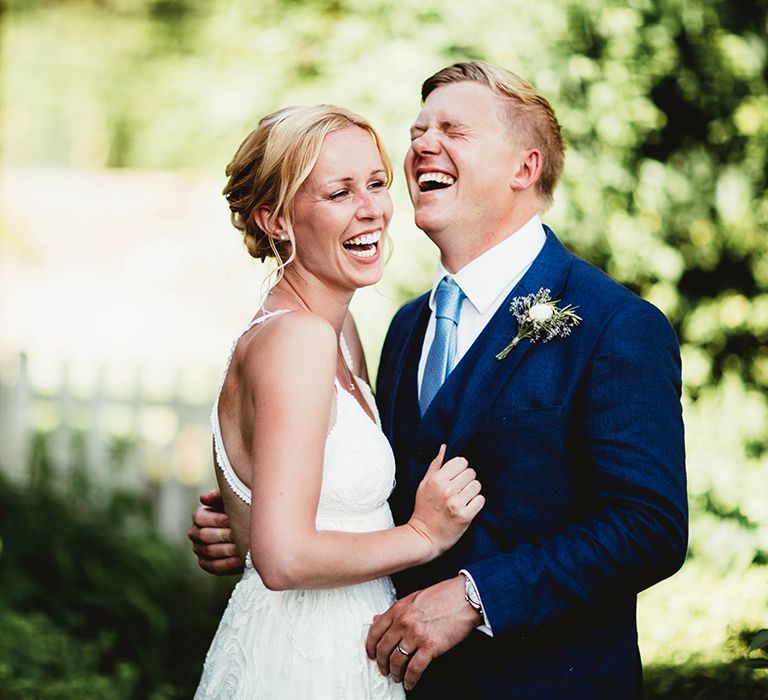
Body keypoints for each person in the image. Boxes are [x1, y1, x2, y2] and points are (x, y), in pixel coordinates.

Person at [191, 62, 688, 699]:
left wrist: (476, 598)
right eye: (419, 128)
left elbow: (647, 527)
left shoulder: (616, 324)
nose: (423, 143)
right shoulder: (403, 328)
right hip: (378, 675)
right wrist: (254, 521)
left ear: (524, 168)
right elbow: (369, 502)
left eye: (454, 129)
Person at [192, 104, 484, 699]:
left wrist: (238, 527)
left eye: (376, 183)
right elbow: (282, 558)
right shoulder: (297, 340)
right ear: (274, 220)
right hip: (306, 660)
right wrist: (424, 534)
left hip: (354, 644)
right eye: (339, 192)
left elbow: (274, 528)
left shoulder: (336, 333)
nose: (372, 208)